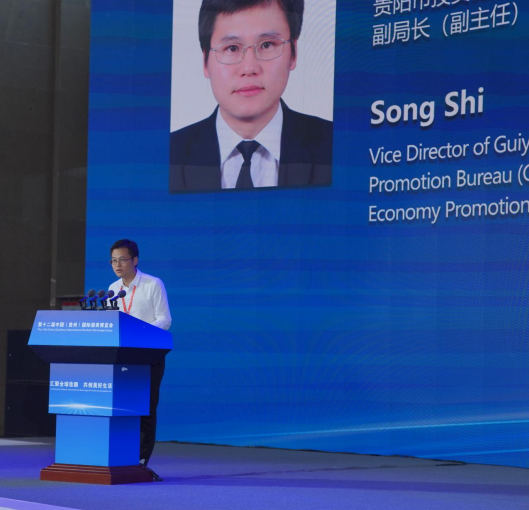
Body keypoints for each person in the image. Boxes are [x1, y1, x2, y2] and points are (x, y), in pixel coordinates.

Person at [170, 0, 332, 192]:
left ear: (293, 53)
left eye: (267, 45)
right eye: (232, 48)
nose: (249, 68)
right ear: (205, 61)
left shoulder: (336, 145)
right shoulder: (168, 154)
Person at [107, 239, 171, 481]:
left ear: (135, 260)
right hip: (121, 358)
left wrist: (139, 333)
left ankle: (141, 462)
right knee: (123, 409)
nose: (117, 265)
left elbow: (164, 319)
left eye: (122, 259)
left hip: (147, 356)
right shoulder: (112, 288)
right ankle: (122, 459)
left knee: (145, 410)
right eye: (113, 260)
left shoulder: (153, 284)